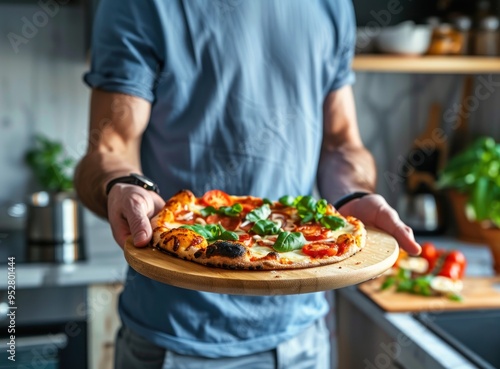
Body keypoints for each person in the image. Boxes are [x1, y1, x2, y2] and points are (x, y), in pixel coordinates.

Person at [75, 1, 421, 368]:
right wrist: (123, 185)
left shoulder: (331, 6)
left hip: (301, 338)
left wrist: (353, 194)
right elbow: (109, 148)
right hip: (176, 340)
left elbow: (341, 143)